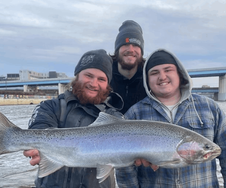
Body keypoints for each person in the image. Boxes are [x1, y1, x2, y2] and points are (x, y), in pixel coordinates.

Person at [116, 49, 226, 187]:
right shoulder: (135, 114)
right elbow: (124, 168)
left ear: (179, 74)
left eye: (168, 70)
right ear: (147, 80)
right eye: (154, 73)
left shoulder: (209, 107)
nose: (162, 77)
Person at [23, 49, 124, 188]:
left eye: (101, 79)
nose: (94, 84)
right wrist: (37, 149)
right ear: (77, 76)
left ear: (108, 85)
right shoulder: (51, 106)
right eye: (89, 75)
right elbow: (39, 127)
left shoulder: (115, 117)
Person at [110, 20, 147, 114]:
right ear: (117, 49)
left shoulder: (149, 77)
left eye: (135, 45)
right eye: (125, 44)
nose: (130, 50)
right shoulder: (104, 75)